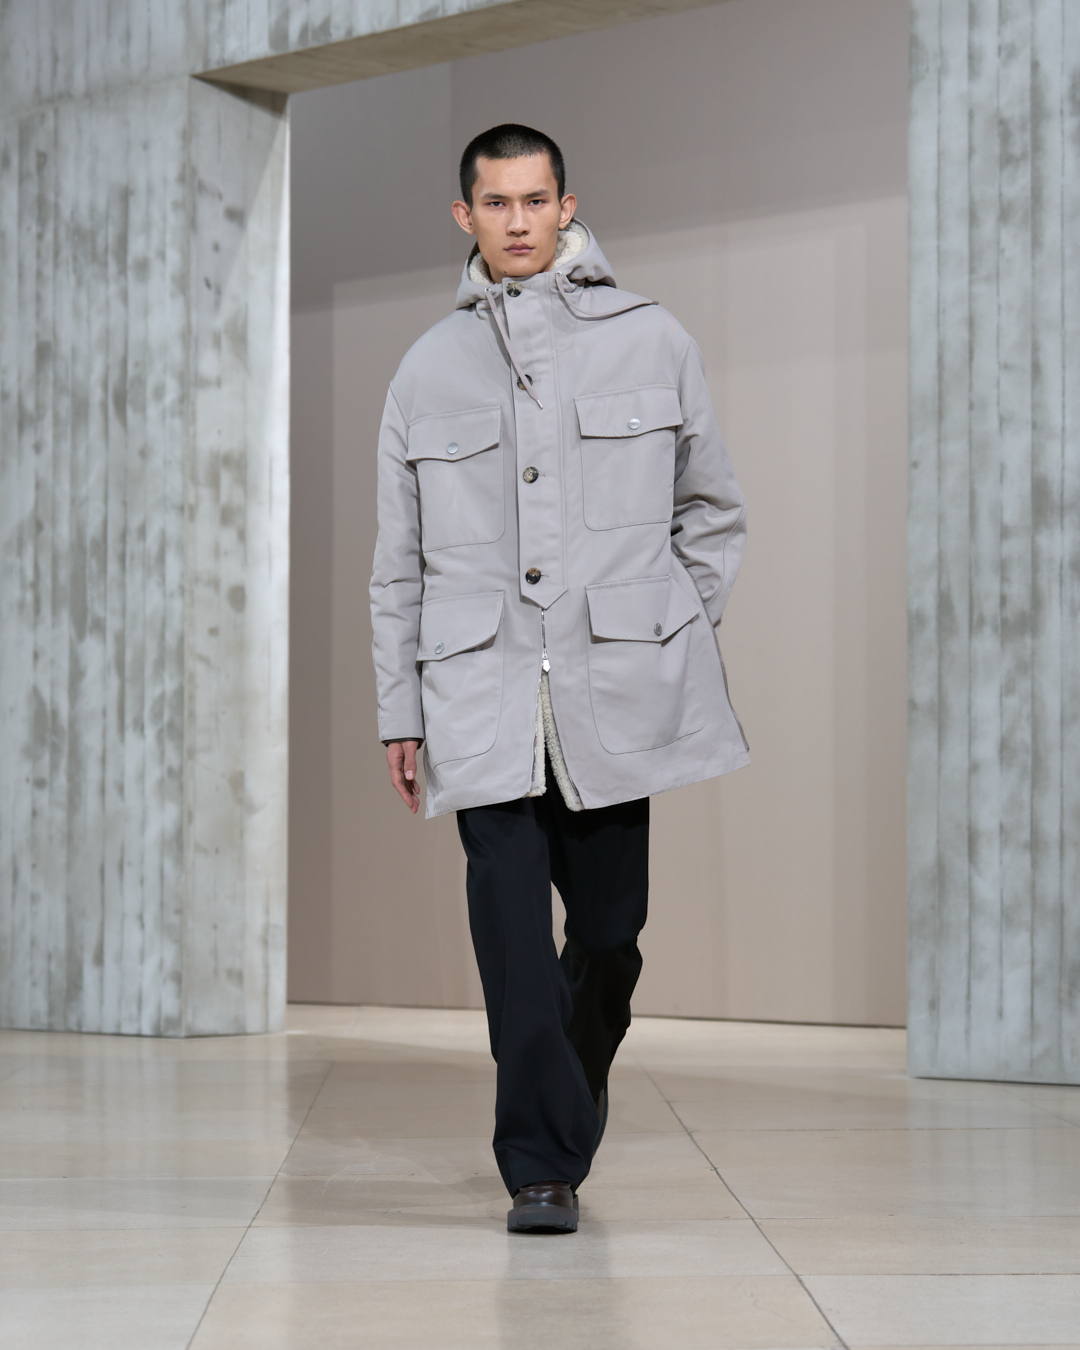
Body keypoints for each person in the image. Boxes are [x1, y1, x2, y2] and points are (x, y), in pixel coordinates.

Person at [370, 124, 747, 1234]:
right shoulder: (425, 369)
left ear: (567, 206)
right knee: (511, 943)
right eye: (497, 204)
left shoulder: (653, 339)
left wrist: (664, 629)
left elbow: (711, 511)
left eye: (536, 201)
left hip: (612, 692)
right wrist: (399, 710)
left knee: (613, 929)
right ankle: (539, 1165)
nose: (519, 222)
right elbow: (398, 564)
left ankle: (563, 1106)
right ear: (466, 217)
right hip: (477, 694)